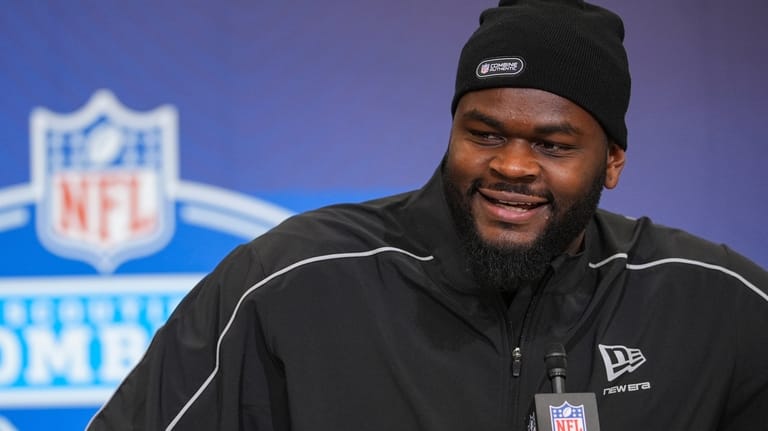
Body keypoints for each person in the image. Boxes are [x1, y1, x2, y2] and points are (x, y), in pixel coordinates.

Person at [87, 0, 768, 430]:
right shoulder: (293, 281)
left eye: (553, 145)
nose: (512, 166)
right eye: (485, 132)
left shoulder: (713, 303)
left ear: (612, 161)